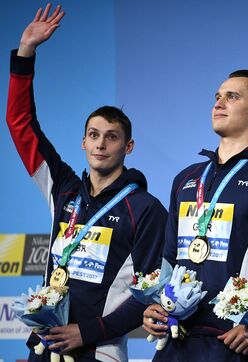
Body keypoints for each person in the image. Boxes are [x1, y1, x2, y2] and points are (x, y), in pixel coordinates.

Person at [7, 4, 168, 361]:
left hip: (100, 350)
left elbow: (150, 293)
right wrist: (25, 53)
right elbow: (20, 123)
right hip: (45, 346)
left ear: (128, 147)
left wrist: (87, 332)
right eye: (93, 135)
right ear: (83, 142)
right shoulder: (62, 188)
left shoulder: (145, 209)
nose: (100, 143)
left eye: (111, 137)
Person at [142, 68, 248, 361]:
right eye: (217, 97)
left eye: (232, 96)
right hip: (175, 338)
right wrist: (155, 304)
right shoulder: (187, 179)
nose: (219, 103)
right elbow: (168, 258)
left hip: (232, 342)